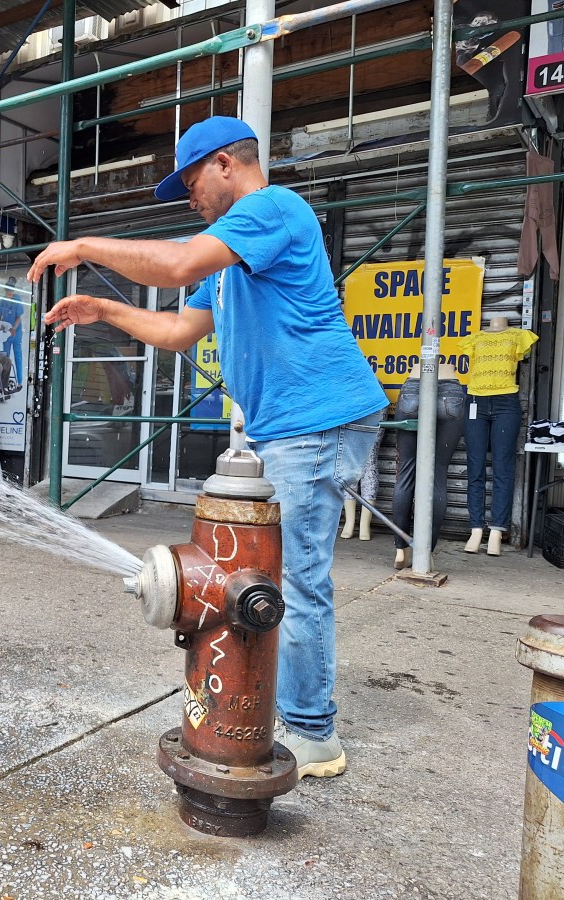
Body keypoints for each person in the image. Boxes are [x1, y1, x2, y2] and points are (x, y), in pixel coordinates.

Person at [28, 116, 387, 780]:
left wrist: (82, 245)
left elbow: (179, 260)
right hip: (294, 424)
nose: (189, 196)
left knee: (293, 581)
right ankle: (297, 714)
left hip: (319, 419)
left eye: (191, 181)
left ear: (227, 163)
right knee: (278, 575)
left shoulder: (270, 210)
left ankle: (314, 734)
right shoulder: (229, 260)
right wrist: (105, 312)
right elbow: (175, 329)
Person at [457, 316, 538, 556]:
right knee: (475, 467)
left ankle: (496, 530)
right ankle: (475, 529)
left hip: (506, 403)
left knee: (503, 467)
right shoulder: (474, 338)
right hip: (475, 401)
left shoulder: (519, 336)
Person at [390, 364, 468, 570]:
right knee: (438, 472)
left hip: (413, 389)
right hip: (450, 394)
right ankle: (426, 552)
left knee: (405, 473)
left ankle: (401, 550)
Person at [0, 276, 25, 390]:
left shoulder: (17, 299)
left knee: (18, 356)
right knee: (6, 358)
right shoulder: (2, 301)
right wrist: (3, 328)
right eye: (8, 291)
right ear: (5, 291)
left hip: (16, 332)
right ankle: (5, 382)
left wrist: (13, 328)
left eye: (11, 291)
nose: (10, 293)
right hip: (6, 334)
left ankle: (19, 381)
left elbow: (18, 317)